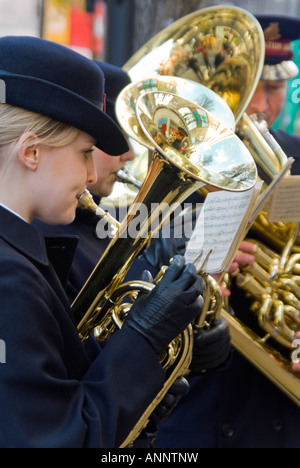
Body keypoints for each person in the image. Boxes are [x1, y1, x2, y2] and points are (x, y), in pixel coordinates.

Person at [0, 35, 208, 449]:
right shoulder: (8, 276)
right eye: (84, 152)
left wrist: (140, 399)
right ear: (32, 152)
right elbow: (58, 438)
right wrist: (145, 337)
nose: (92, 176)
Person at [155, 14, 300, 449]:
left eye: (273, 89)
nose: (259, 105)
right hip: (190, 416)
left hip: (277, 411)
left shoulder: (297, 157)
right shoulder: (164, 163)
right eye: (248, 87)